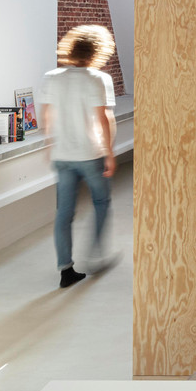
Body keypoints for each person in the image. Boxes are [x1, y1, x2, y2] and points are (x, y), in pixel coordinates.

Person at [40, 24, 119, 288]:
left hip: (62, 155)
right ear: (98, 51)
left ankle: (66, 270)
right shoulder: (97, 79)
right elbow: (103, 118)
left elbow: (47, 115)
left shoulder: (52, 77)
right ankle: (96, 257)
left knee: (64, 212)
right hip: (90, 154)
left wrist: (50, 145)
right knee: (100, 202)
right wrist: (109, 153)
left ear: (71, 48)